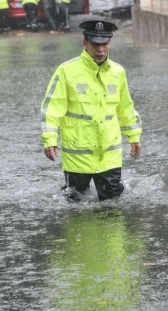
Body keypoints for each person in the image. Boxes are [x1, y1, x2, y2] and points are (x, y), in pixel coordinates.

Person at [40, 20, 142, 202]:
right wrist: (50, 140)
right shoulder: (66, 71)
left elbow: (126, 107)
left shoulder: (118, 72)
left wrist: (134, 136)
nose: (101, 49)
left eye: (105, 44)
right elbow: (52, 108)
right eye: (95, 44)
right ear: (84, 43)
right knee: (75, 204)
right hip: (78, 155)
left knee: (113, 205)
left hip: (109, 154)